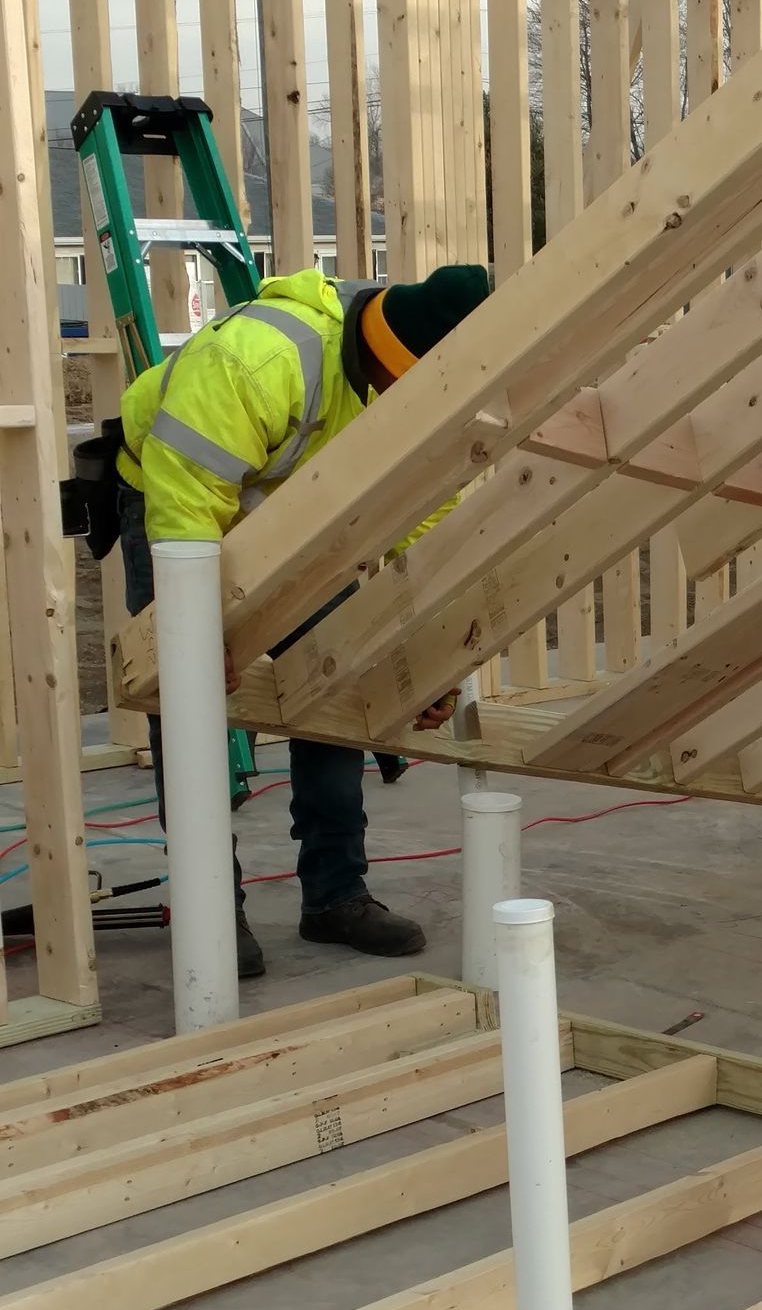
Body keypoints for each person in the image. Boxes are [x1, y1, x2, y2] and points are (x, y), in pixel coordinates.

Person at [115, 260, 490, 973]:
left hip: (297, 526)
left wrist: (431, 654)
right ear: (382, 362)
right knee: (187, 696)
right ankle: (211, 909)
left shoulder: (403, 392)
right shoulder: (261, 360)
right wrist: (198, 627)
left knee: (332, 677)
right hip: (175, 506)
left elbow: (425, 522)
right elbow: (185, 491)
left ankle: (335, 894)